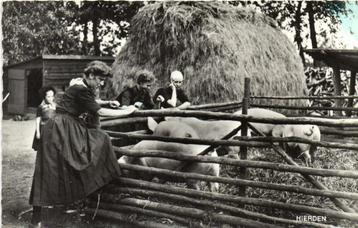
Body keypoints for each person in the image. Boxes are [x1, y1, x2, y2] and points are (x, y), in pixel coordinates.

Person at [29, 60, 137, 226]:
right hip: (62, 128)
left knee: (51, 168)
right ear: (91, 75)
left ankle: (38, 217)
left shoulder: (80, 87)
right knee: (100, 139)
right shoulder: (81, 89)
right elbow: (99, 111)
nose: (102, 83)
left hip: (57, 127)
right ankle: (101, 184)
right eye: (100, 79)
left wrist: (108, 102)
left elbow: (90, 103)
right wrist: (128, 111)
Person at [32, 86, 56, 152]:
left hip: (53, 128)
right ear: (44, 97)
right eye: (48, 97)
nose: (51, 98)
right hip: (44, 128)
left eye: (52, 96)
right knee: (43, 147)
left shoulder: (55, 106)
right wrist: (38, 132)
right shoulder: (41, 107)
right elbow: (38, 120)